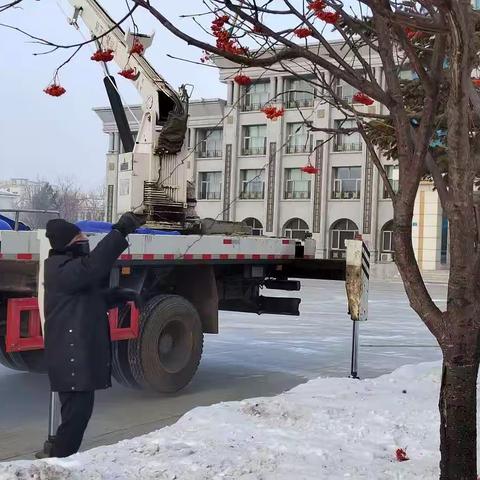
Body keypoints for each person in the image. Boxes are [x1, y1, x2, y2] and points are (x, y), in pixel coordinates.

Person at [42, 212, 145, 458]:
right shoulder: (60, 269)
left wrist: (118, 295)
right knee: (75, 418)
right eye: (79, 236)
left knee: (76, 416)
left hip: (73, 355)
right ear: (68, 243)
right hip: (70, 357)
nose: (84, 239)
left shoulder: (68, 270)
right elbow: (94, 266)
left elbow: (84, 299)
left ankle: (57, 458)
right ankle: (57, 462)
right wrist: (120, 232)